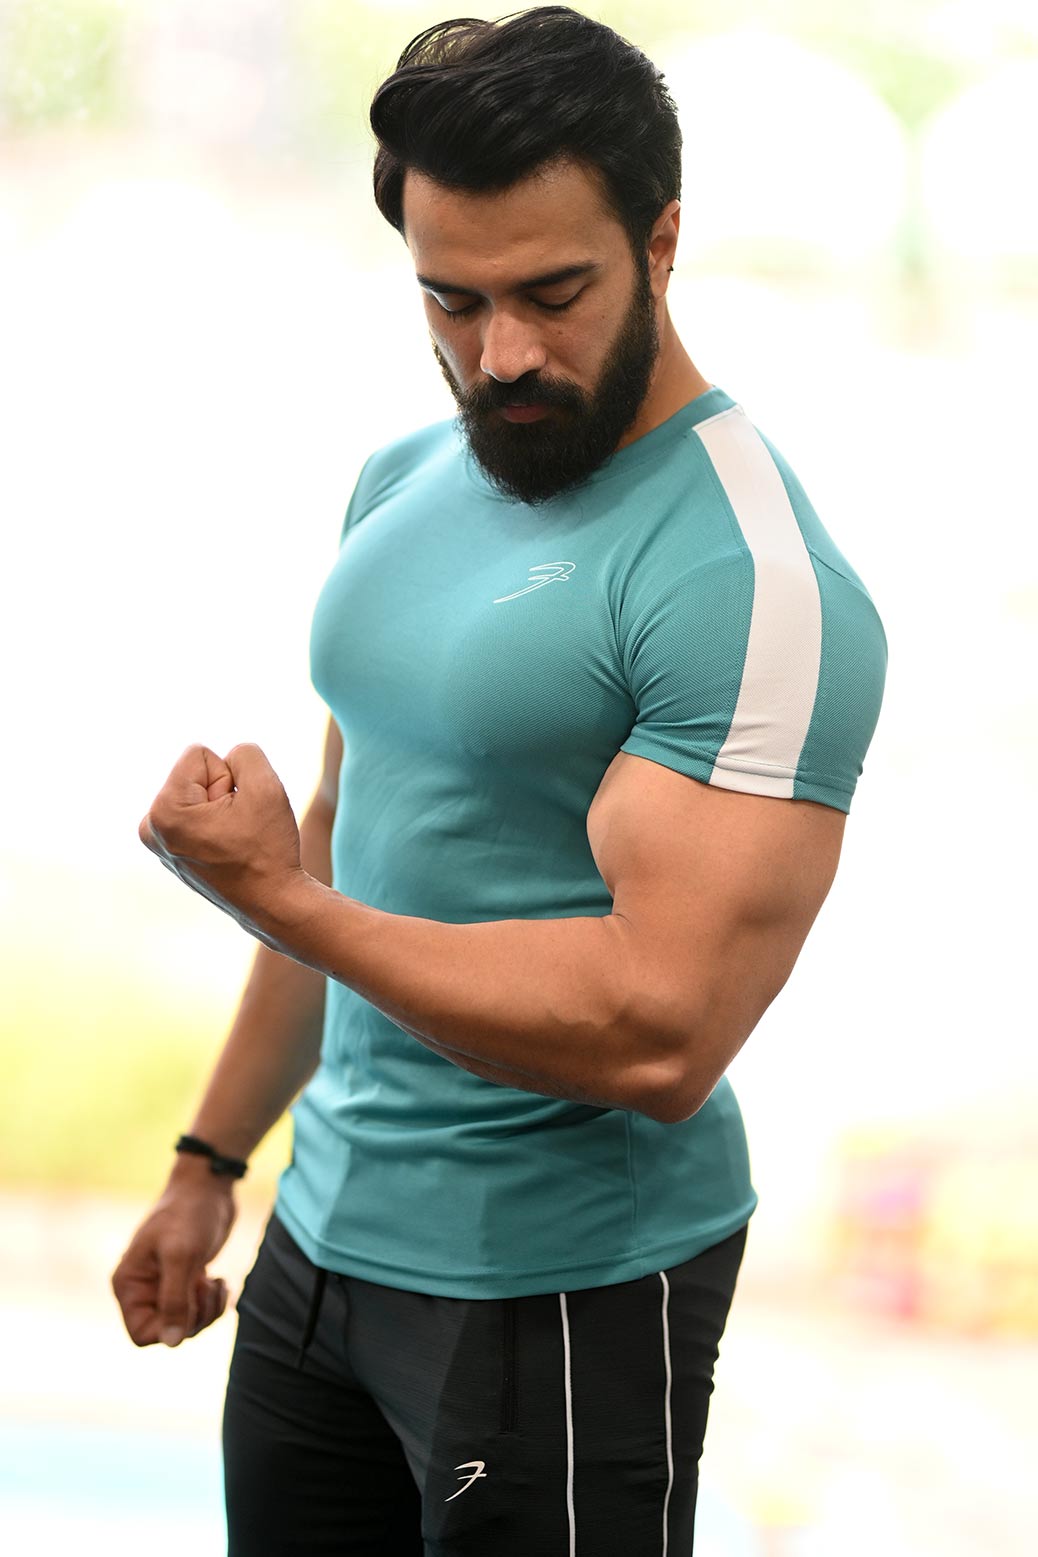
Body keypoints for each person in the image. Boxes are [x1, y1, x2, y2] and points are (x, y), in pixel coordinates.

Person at [111, 8, 887, 1553]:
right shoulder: (404, 476)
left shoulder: (746, 577)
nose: (502, 354)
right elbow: (348, 838)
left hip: (557, 1286)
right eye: (451, 299)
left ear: (660, 241)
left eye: (552, 294)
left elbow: (658, 1030)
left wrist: (275, 898)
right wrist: (212, 1160)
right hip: (320, 1240)